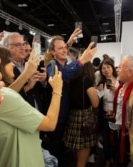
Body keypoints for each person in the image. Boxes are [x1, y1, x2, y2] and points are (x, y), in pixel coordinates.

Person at [0, 43, 63, 167]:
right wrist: (57, 90)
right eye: (7, 61)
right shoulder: (5, 96)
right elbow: (50, 124)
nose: (12, 64)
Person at [45, 35, 97, 167]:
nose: (64, 50)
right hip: (57, 117)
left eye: (65, 47)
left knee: (65, 152)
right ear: (52, 52)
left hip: (68, 116)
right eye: (60, 48)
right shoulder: (52, 66)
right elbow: (62, 76)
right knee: (55, 150)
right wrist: (81, 61)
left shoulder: (67, 65)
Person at [63, 61, 99, 167]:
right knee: (82, 161)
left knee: (76, 157)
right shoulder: (86, 80)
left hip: (73, 117)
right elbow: (95, 103)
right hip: (84, 119)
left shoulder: (72, 81)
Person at [3, 32, 47, 111]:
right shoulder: (4, 67)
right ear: (6, 47)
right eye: (18, 45)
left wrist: (43, 81)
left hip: (37, 111)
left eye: (23, 44)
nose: (22, 48)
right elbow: (6, 97)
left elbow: (38, 90)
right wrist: (28, 86)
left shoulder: (29, 64)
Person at [96, 57, 119, 167]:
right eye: (103, 68)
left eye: (108, 67)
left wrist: (117, 92)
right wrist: (99, 91)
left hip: (118, 115)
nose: (106, 70)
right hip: (105, 115)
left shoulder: (120, 81)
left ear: (112, 68)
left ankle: (116, 159)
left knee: (117, 139)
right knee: (106, 140)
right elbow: (98, 101)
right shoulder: (101, 83)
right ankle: (107, 160)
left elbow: (125, 98)